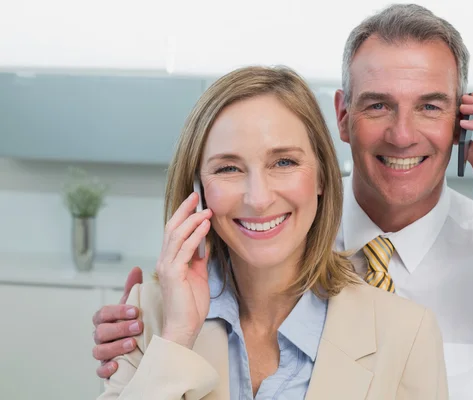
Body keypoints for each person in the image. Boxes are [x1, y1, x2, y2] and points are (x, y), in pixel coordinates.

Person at [93, 4, 473, 399]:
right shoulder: (268, 223)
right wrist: (151, 343)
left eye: (429, 107)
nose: (402, 135)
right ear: (342, 116)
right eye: (378, 105)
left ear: (460, 122)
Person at [95, 65, 448, 399]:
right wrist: (177, 338)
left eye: (284, 162)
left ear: (322, 177)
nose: (259, 199)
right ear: (197, 189)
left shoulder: (407, 333)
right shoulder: (150, 313)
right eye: (229, 168)